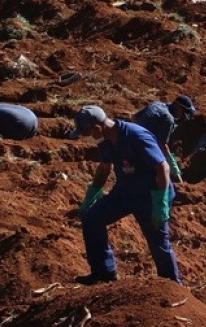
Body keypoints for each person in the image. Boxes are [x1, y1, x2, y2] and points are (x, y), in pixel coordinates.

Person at [69, 106, 180, 285]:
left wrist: (161, 203)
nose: (84, 138)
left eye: (85, 133)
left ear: (97, 128)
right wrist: (91, 196)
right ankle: (103, 272)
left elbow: (163, 168)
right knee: (91, 219)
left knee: (158, 243)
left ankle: (172, 286)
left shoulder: (136, 136)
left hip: (151, 195)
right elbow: (104, 168)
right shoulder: (105, 140)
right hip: (125, 191)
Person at [132, 95, 196, 182]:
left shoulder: (155, 104)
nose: (182, 116)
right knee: (159, 171)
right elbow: (162, 145)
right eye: (183, 112)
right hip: (140, 149)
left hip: (130, 140)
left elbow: (134, 117)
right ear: (177, 106)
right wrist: (175, 170)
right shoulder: (168, 119)